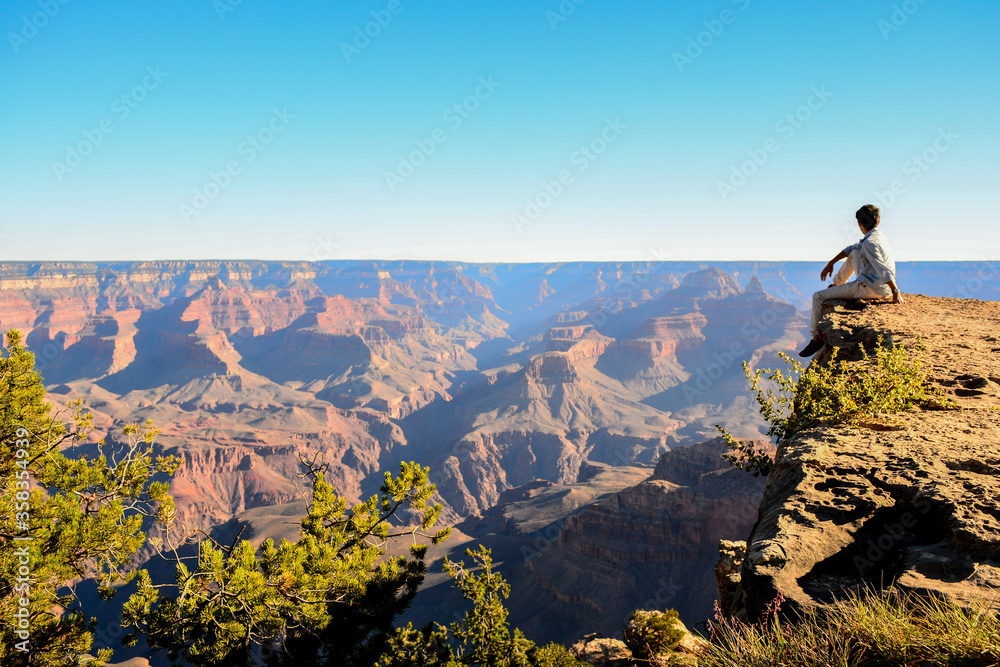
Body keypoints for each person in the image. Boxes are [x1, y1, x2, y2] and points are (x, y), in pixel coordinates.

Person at [798, 204, 904, 357]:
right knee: (854, 253)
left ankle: (816, 338)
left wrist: (895, 291)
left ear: (859, 224)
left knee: (817, 296)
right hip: (880, 287)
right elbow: (852, 248)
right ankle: (836, 285)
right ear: (878, 222)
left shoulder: (869, 244)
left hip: (869, 288)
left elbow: (883, 269)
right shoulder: (878, 236)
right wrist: (831, 262)